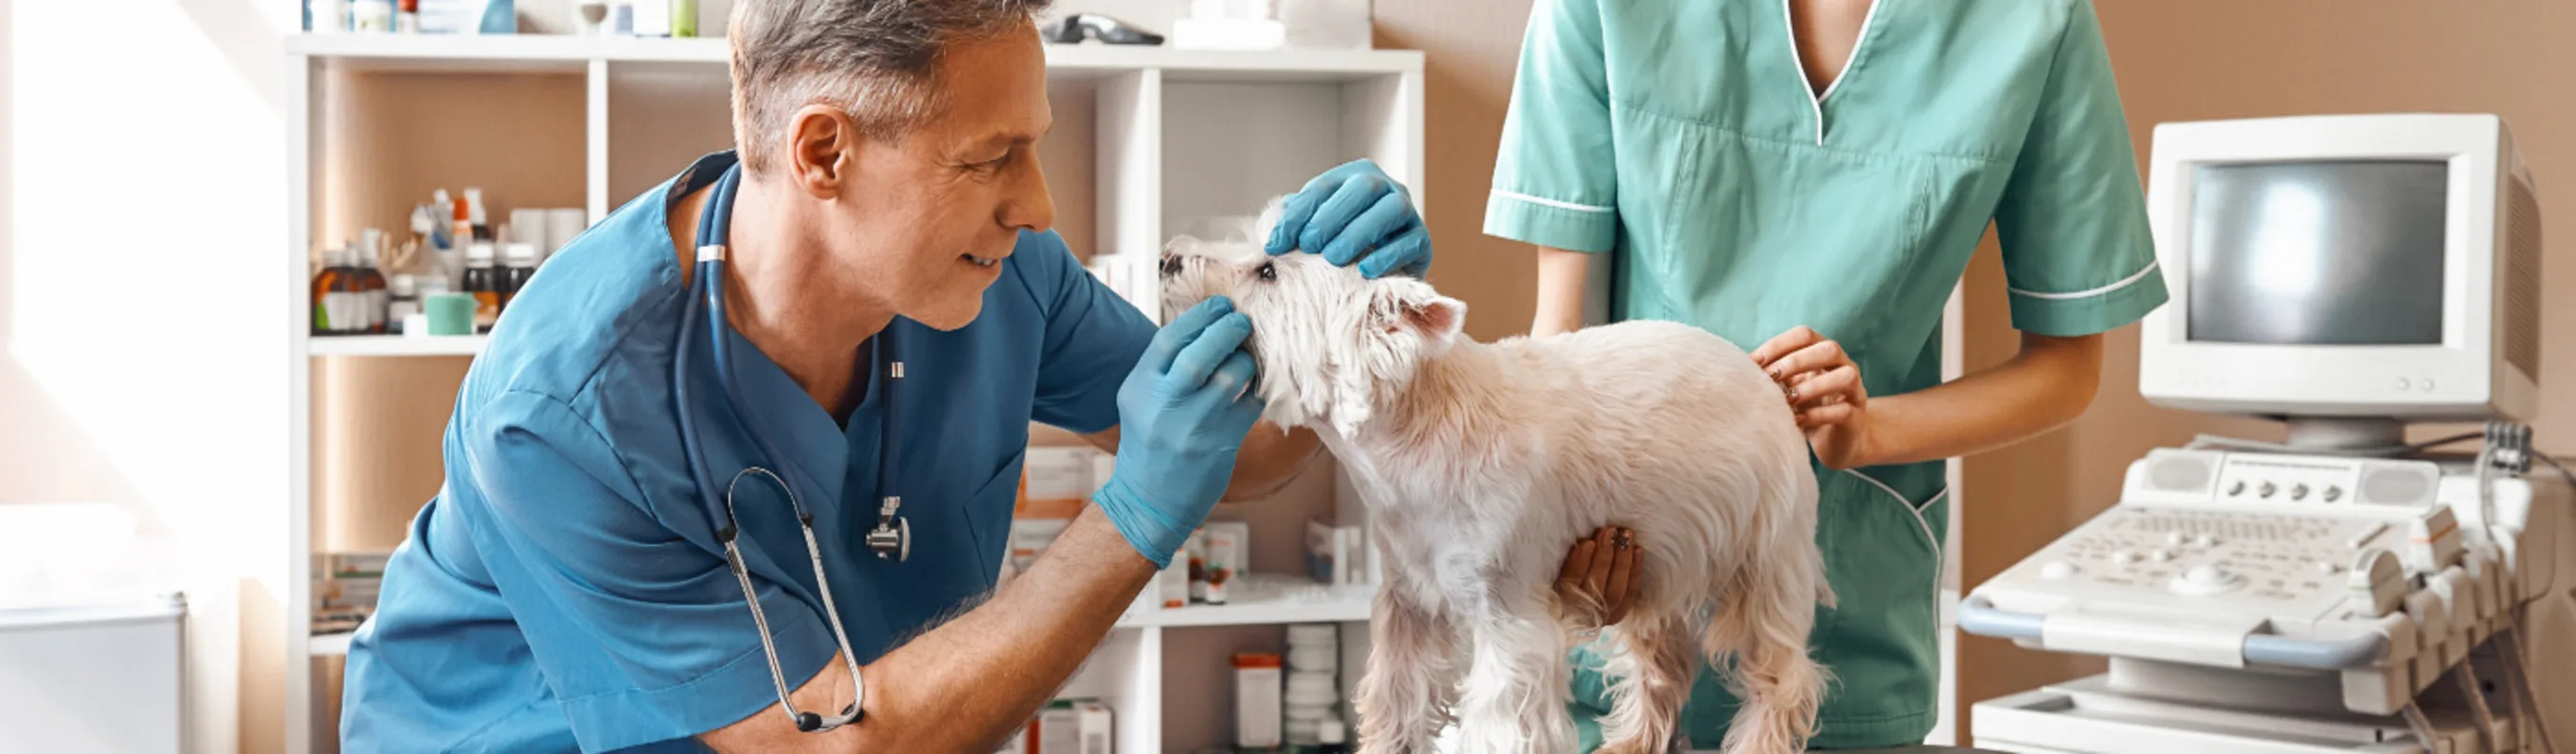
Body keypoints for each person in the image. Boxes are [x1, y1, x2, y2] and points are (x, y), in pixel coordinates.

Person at [339, 1, 1638, 751]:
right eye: (989, 158)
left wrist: (1306, 314)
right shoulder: (569, 414)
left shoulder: (996, 274)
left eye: (1039, 149)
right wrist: (1129, 526)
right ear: (825, 152)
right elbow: (835, 747)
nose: (1037, 202)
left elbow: (1243, 453)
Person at [1486, 0, 2171, 749]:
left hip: (1849, 619)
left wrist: (1870, 431)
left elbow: (2067, 368)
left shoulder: (2032, 21)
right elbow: (1562, 341)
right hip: (1629, 609)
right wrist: (1565, 536)